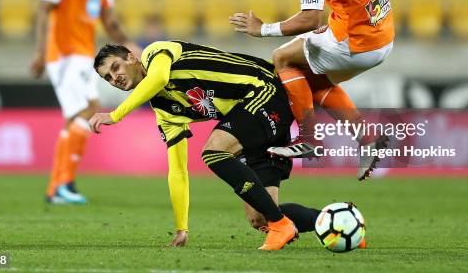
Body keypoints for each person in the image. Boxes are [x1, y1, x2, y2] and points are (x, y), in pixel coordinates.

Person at [88, 41, 323, 250]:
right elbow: (178, 171)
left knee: (214, 151)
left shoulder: (155, 53)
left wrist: (116, 115)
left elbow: (158, 78)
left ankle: (281, 225)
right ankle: (333, 220)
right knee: (260, 216)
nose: (114, 78)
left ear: (131, 57)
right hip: (249, 117)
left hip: (264, 87)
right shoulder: (165, 111)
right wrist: (182, 227)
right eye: (107, 77)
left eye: (115, 67)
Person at [229, 0, 394, 180]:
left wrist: (262, 29)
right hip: (381, 30)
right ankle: (366, 138)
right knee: (309, 78)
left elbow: (309, 18)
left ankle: (308, 140)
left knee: (282, 58)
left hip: (357, 40)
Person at [30, 0, 140, 204]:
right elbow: (44, 9)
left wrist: (128, 44)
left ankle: (61, 185)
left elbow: (108, 18)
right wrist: (41, 52)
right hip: (63, 53)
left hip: (82, 54)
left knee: (81, 113)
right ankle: (60, 185)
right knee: (84, 111)